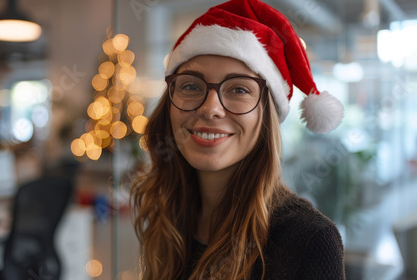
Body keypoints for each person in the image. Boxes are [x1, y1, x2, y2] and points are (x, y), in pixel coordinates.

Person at [130, 0, 345, 279]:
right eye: (191, 85)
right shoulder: (165, 214)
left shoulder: (309, 240)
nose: (210, 108)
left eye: (239, 89)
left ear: (266, 114)